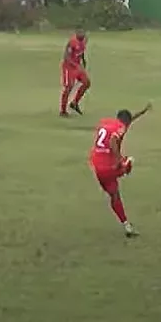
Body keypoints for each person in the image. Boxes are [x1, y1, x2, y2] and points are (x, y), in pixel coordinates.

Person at [89, 102, 152, 237]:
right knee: (127, 163)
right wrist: (120, 161)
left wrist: (142, 111)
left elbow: (127, 121)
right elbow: (113, 140)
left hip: (96, 165)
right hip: (109, 166)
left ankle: (126, 225)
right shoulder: (121, 128)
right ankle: (125, 167)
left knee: (115, 195)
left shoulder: (108, 123)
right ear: (126, 122)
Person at [60, 28, 90, 116]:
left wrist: (83, 61)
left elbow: (81, 51)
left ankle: (74, 103)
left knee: (86, 83)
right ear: (76, 33)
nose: (82, 34)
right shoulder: (72, 42)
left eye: (83, 33)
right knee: (69, 87)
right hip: (68, 67)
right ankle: (63, 110)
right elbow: (66, 57)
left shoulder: (84, 41)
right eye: (80, 33)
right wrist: (74, 65)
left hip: (77, 66)